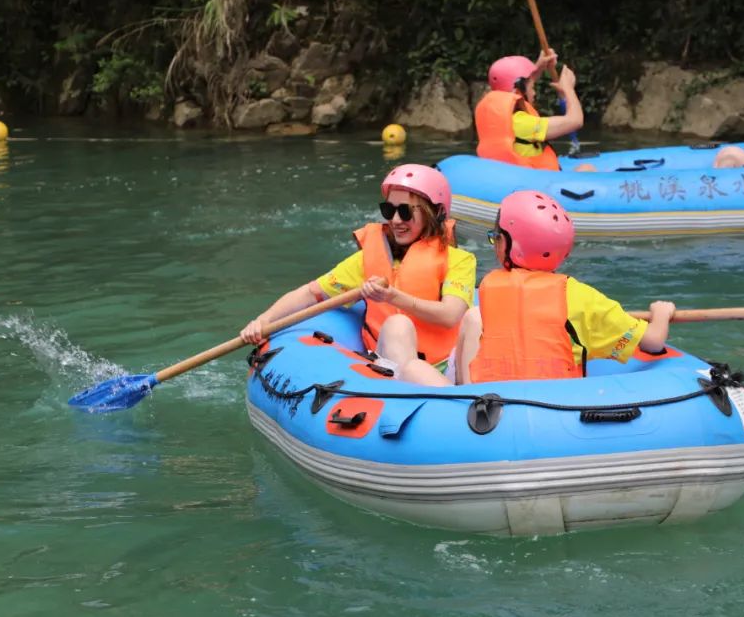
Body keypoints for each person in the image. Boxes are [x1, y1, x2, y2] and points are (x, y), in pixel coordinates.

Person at [401, 190, 675, 386]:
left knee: (417, 365)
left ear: (510, 245)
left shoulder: (490, 288)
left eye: (496, 238)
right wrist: (661, 313)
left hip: (488, 409)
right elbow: (652, 342)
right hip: (556, 408)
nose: (495, 244)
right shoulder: (580, 296)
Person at [240, 164, 475, 376]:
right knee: (397, 326)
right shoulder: (367, 260)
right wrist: (262, 321)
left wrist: (394, 297)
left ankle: (465, 404)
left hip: (447, 364)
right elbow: (310, 294)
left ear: (434, 213)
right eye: (388, 210)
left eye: (405, 212)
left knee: (476, 317)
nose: (395, 220)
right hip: (396, 368)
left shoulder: (459, 260)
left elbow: (450, 315)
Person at [473, 50, 587, 172]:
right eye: (532, 88)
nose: (534, 92)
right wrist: (569, 89)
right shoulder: (522, 123)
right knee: (586, 168)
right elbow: (576, 121)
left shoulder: (498, 116)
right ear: (518, 92)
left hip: (513, 176)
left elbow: (521, 85)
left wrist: (539, 67)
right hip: (535, 182)